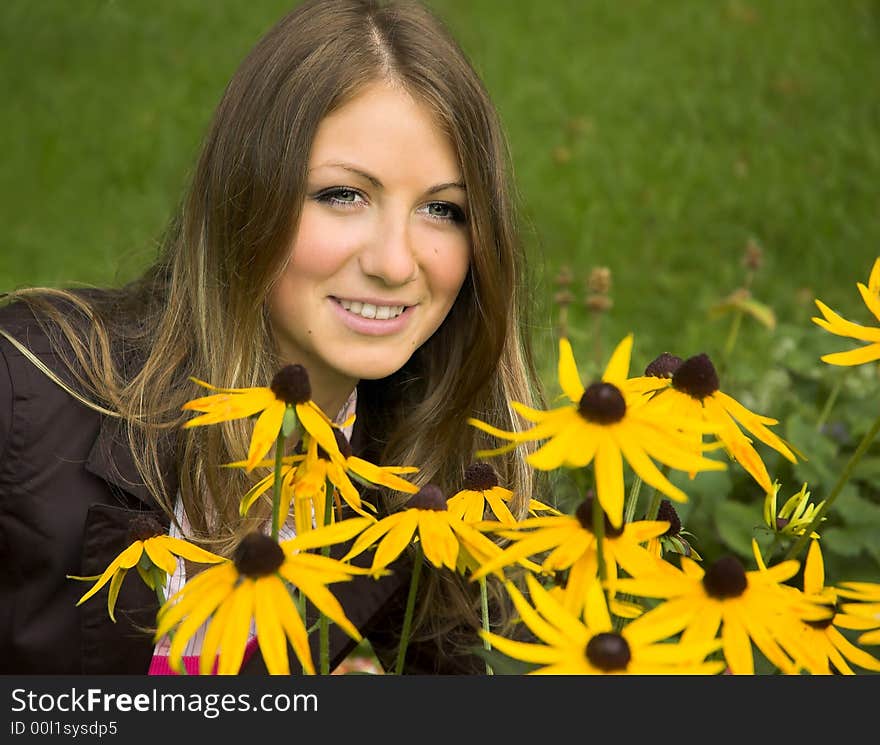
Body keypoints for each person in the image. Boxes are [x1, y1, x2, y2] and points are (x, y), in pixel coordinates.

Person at [0, 0, 544, 674]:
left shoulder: (417, 474)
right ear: (248, 196)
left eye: (443, 209)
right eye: (344, 194)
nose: (397, 262)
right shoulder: (24, 393)